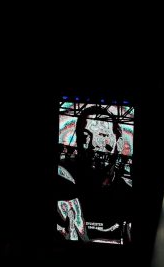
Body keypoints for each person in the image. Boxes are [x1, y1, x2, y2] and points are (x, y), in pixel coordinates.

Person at [57, 103, 133, 244]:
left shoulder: (128, 192)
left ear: (119, 144)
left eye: (102, 135)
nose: (93, 144)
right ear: (78, 141)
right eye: (85, 136)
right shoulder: (63, 182)